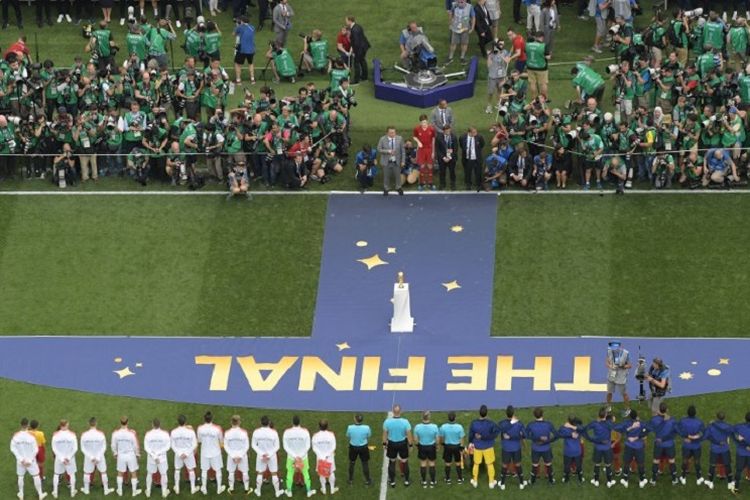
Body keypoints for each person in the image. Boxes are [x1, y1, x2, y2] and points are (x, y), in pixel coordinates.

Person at [11, 418, 47, 500]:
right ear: (28, 425)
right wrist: (29, 460)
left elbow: (13, 449)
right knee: (36, 476)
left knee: (20, 476)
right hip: (31, 461)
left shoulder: (16, 435)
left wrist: (21, 459)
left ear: (20, 424)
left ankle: (21, 494)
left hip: (20, 461)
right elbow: (35, 449)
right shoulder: (31, 436)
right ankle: (40, 494)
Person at [614, 409, 649, 488]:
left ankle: (625, 480)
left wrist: (630, 428)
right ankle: (642, 480)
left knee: (627, 463)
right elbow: (644, 435)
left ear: (630, 416)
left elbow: (617, 428)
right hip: (639, 447)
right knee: (640, 464)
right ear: (637, 416)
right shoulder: (642, 424)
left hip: (629, 446)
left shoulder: (626, 423)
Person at [283, 415, 316, 498]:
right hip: (303, 458)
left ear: (292, 422)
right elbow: (308, 446)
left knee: (290, 474)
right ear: (299, 422)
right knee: (305, 473)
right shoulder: (305, 432)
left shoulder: (287, 432)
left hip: (291, 458)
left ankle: (289, 491)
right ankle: (309, 491)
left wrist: (294, 456)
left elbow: (285, 446)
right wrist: (300, 456)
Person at [80, 417, 114, 496]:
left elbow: (83, 448)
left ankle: (86, 489)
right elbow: (104, 447)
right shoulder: (101, 434)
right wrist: (98, 457)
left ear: (89, 424)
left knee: (87, 473)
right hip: (100, 457)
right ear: (96, 423)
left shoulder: (84, 435)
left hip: (89, 457)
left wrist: (91, 457)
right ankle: (106, 490)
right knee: (103, 472)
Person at [251, 415, 284, 497]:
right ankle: (277, 492)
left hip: (261, 456)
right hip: (272, 456)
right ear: (269, 422)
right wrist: (269, 454)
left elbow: (253, 445)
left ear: (260, 422)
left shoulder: (256, 432)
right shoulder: (274, 432)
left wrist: (262, 454)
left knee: (260, 473)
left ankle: (258, 491)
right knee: (274, 473)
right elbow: (277, 446)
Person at [583, 407, 616, 488]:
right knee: (608, 465)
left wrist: (592, 439)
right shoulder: (609, 423)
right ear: (606, 415)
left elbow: (584, 430)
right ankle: (609, 481)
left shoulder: (594, 423)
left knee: (597, 464)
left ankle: (596, 481)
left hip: (598, 447)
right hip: (607, 448)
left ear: (598, 415)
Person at [647, 403, 679, 486]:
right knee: (672, 461)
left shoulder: (654, 419)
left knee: (656, 461)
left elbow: (648, 428)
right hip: (669, 444)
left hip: (659, 444)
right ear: (667, 410)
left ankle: (653, 480)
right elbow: (676, 432)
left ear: (659, 410)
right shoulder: (672, 420)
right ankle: (674, 479)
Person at [382, 404, 413, 488]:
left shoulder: (387, 422)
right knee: (405, 461)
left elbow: (385, 434)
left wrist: (384, 444)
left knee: (392, 461)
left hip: (392, 443)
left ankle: (392, 482)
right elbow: (409, 434)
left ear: (392, 411)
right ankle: (406, 481)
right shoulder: (405, 422)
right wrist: (410, 445)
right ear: (401, 411)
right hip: (402, 443)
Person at [111, 416, 142, 497]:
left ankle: (120, 491)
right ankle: (134, 492)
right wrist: (137, 454)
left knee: (120, 473)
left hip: (121, 456)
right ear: (127, 422)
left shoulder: (115, 433)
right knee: (133, 473)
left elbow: (113, 445)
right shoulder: (132, 433)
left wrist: (115, 453)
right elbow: (136, 445)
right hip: (131, 456)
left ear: (120, 422)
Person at [467, 405, 497, 489]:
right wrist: (487, 437)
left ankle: (475, 481)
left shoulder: (474, 423)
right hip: (488, 446)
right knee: (490, 464)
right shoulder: (491, 423)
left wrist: (470, 442)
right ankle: (491, 482)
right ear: (487, 413)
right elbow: (496, 432)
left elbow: (471, 435)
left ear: (479, 413)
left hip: (477, 446)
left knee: (476, 464)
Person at [197, 411, 226, 495]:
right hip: (215, 452)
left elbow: (199, 440)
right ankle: (219, 489)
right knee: (218, 470)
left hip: (205, 452)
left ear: (204, 419)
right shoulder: (217, 428)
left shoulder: (200, 428)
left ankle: (204, 489)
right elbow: (221, 440)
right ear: (212, 418)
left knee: (204, 470)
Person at [498, 405, 526, 490]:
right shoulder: (519, 424)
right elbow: (524, 435)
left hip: (506, 447)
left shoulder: (501, 423)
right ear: (513, 413)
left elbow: (499, 433)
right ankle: (521, 483)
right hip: (516, 447)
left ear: (506, 414)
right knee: (517, 464)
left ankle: (502, 484)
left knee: (504, 465)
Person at [525, 408, 557, 485]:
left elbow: (526, 435)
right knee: (548, 464)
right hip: (546, 448)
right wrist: (547, 441)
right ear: (542, 414)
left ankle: (532, 481)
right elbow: (556, 435)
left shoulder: (531, 425)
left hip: (535, 448)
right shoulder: (548, 424)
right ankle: (551, 480)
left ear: (534, 415)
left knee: (535, 464)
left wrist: (537, 439)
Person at [170, 414, 199, 495]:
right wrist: (186, 453)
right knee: (191, 470)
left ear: (178, 422)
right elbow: (194, 444)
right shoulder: (191, 432)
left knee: (177, 470)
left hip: (178, 454)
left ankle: (177, 488)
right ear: (185, 422)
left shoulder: (173, 432)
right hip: (189, 454)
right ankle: (193, 489)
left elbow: (172, 445)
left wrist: (179, 453)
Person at [705, 412, 734, 490]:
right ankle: (730, 483)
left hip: (714, 449)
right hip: (725, 448)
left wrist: (716, 442)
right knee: (727, 465)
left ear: (716, 417)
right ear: (724, 417)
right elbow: (732, 434)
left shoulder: (711, 426)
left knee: (712, 465)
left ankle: (710, 482)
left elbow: (706, 436)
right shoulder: (728, 426)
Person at [677, 405, 705, 485]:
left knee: (685, 460)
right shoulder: (699, 422)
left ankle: (683, 477)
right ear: (695, 413)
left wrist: (687, 436)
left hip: (687, 445)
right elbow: (703, 432)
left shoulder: (682, 421)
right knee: (697, 461)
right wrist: (696, 436)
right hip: (696, 445)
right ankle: (699, 478)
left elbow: (678, 429)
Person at [143, 419, 170, 498]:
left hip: (152, 458)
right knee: (164, 474)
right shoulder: (165, 434)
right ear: (160, 424)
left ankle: (148, 491)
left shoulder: (148, 434)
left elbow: (146, 447)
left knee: (149, 473)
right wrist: (158, 454)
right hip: (162, 458)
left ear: (152, 425)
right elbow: (167, 446)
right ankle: (164, 492)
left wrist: (154, 455)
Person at [51, 420, 78, 499]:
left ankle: (55, 492)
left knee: (56, 474)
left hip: (59, 458)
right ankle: (72, 491)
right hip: (70, 458)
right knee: (72, 474)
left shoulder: (55, 435)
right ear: (66, 425)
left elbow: (54, 448)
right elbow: (75, 448)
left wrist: (62, 458)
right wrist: (68, 457)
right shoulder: (72, 435)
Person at [225, 415, 251, 494]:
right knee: (245, 472)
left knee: (231, 472)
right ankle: (246, 489)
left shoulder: (227, 433)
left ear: (231, 422)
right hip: (242, 455)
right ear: (239, 422)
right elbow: (247, 445)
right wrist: (240, 456)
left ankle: (231, 489)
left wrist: (233, 456)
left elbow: (226, 446)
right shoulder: (244, 432)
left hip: (231, 455)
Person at [414, 411, 439, 488]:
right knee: (432, 464)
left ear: (422, 417)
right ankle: (432, 481)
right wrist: (437, 446)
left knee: (423, 464)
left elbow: (415, 439)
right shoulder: (434, 427)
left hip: (422, 446)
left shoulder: (417, 427)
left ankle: (424, 481)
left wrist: (418, 446)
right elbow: (437, 439)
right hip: (431, 447)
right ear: (429, 417)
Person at [312, 420, 338, 495]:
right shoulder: (331, 435)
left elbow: (314, 448)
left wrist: (321, 456)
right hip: (329, 457)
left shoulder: (315, 436)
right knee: (331, 471)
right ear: (327, 426)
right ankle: (332, 489)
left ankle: (324, 489)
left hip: (320, 457)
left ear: (319, 426)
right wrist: (327, 455)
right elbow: (333, 447)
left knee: (321, 473)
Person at [438, 411, 464, 484]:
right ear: (455, 418)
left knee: (447, 463)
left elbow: (441, 438)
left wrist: (442, 444)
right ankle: (460, 479)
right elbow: (461, 438)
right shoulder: (459, 427)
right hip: (457, 447)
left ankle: (447, 479)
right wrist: (461, 447)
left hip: (447, 447)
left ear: (448, 418)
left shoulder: (443, 427)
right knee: (458, 463)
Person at [378, 126, 405, 196]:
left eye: (394, 132)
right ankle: (386, 188)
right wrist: (388, 151)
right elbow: (379, 149)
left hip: (397, 161)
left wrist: (403, 161)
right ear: (387, 133)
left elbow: (403, 151)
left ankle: (398, 187)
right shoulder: (382, 139)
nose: (393, 134)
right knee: (386, 176)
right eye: (391, 132)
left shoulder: (400, 138)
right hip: (386, 161)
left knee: (398, 175)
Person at [345, 414, 372, 485]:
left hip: (353, 447)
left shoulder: (350, 427)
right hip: (363, 447)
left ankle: (350, 479)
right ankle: (368, 480)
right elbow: (369, 435)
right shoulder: (366, 427)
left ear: (355, 419)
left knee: (352, 463)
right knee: (365, 463)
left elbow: (348, 435)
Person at [605, 341, 631, 415]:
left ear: (619, 347)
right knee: (609, 392)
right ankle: (608, 406)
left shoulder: (626, 353)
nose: (613, 348)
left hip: (621, 376)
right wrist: (610, 366)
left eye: (614, 347)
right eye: (612, 347)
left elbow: (629, 365)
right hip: (611, 375)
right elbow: (606, 362)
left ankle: (627, 409)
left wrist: (622, 366)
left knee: (624, 394)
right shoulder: (609, 351)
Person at [557, 415, 584, 484]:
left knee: (567, 466)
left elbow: (559, 432)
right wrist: (572, 431)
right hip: (577, 451)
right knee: (579, 465)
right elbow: (582, 429)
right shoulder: (579, 428)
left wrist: (568, 426)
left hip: (568, 451)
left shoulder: (564, 428)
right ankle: (580, 478)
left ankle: (566, 479)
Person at [413, 114, 436, 191]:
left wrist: (433, 151)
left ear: (427, 122)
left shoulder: (431, 129)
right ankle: (422, 183)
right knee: (422, 166)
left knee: (429, 166)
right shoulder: (416, 129)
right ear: (420, 123)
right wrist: (418, 142)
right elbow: (414, 137)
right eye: (422, 122)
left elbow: (433, 140)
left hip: (429, 149)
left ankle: (430, 183)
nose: (424, 124)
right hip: (421, 150)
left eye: (425, 122)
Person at [525, 31, 550, 100]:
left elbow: (526, 53)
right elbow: (548, 57)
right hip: (541, 67)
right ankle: (544, 99)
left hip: (530, 66)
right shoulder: (543, 46)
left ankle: (533, 98)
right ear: (542, 37)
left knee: (532, 83)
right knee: (543, 83)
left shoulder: (528, 44)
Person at [346, 15, 371, 84]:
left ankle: (356, 80)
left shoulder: (354, 30)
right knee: (362, 61)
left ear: (350, 21)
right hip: (364, 47)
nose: (346, 22)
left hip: (360, 48)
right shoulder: (357, 26)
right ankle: (364, 77)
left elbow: (356, 42)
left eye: (346, 21)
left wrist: (354, 51)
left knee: (356, 63)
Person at [459, 126, 485, 191]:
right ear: (469, 132)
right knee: (468, 172)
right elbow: (461, 145)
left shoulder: (479, 137)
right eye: (474, 132)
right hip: (467, 158)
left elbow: (482, 144)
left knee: (478, 172)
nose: (476, 134)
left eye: (476, 132)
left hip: (477, 158)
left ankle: (478, 185)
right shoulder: (463, 137)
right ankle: (468, 184)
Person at [730, 412, 750, 494]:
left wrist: (737, 439)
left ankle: (736, 487)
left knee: (739, 470)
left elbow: (731, 432)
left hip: (741, 452)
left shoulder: (739, 426)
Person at [234, 16, 257, 84]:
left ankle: (238, 80)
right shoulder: (252, 27)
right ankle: (252, 79)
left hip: (242, 49)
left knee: (237, 64)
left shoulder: (240, 27)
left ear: (242, 21)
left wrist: (237, 26)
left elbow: (234, 34)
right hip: (251, 49)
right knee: (250, 63)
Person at [435, 124, 458, 190]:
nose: (448, 132)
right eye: (447, 131)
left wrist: (450, 157)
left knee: (452, 172)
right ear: (443, 131)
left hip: (451, 158)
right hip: (442, 159)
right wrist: (444, 157)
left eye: (449, 130)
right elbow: (437, 149)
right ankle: (442, 184)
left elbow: (455, 149)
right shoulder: (439, 137)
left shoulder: (453, 137)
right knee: (442, 172)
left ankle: (453, 184)